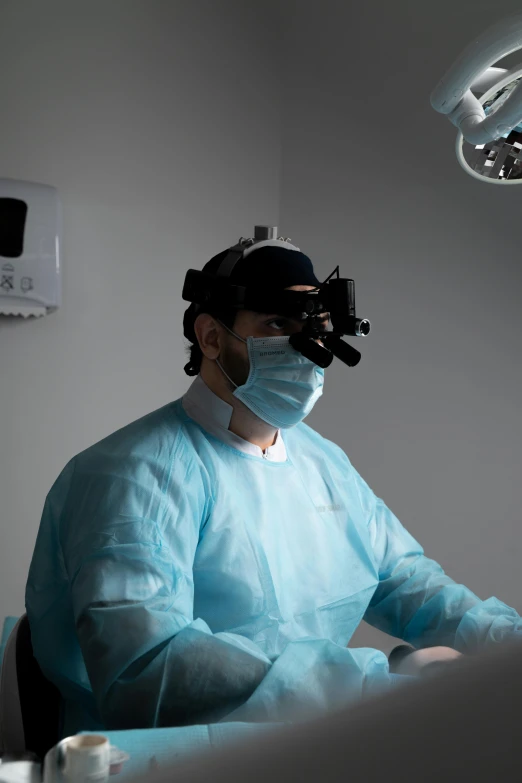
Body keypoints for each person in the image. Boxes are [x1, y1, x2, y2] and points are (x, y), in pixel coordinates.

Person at [25, 237, 522, 736]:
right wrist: (372, 686)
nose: (304, 348)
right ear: (211, 337)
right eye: (278, 324)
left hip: (310, 738)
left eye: (314, 327)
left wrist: (504, 645)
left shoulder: (322, 462)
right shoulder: (135, 473)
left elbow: (405, 581)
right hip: (172, 757)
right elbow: (149, 669)